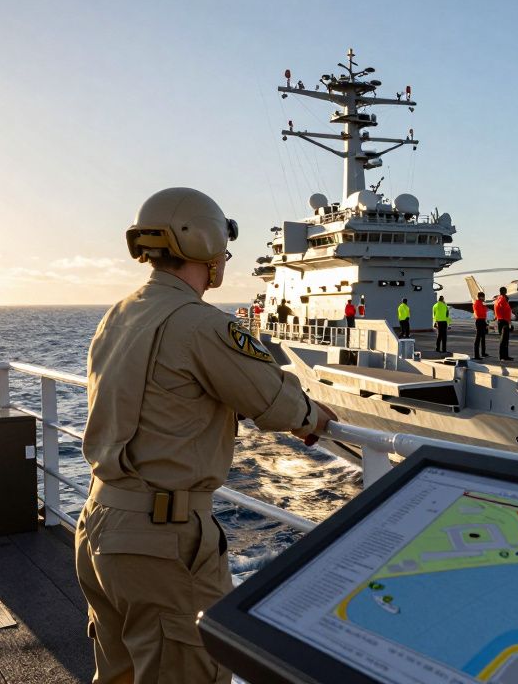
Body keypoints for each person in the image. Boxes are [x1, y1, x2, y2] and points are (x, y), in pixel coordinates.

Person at [77, 187, 334, 683]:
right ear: (205, 243)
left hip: (100, 523)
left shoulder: (121, 312)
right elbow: (273, 401)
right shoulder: (200, 323)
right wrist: (314, 417)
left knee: (119, 674)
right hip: (160, 541)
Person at [494, 286, 513, 361]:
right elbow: (502, 307)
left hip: (503, 320)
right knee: (503, 340)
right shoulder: (502, 299)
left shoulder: (498, 299)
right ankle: (502, 356)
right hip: (503, 321)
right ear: (504, 292)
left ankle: (505, 356)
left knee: (505, 339)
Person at [472, 291, 489, 360]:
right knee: (478, 338)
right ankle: (476, 355)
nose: (484, 298)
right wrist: (484, 306)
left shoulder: (481, 303)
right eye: (483, 297)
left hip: (482, 320)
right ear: (480, 297)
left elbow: (485, 311)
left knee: (483, 337)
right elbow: (481, 312)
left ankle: (483, 353)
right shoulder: (478, 303)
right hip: (479, 320)